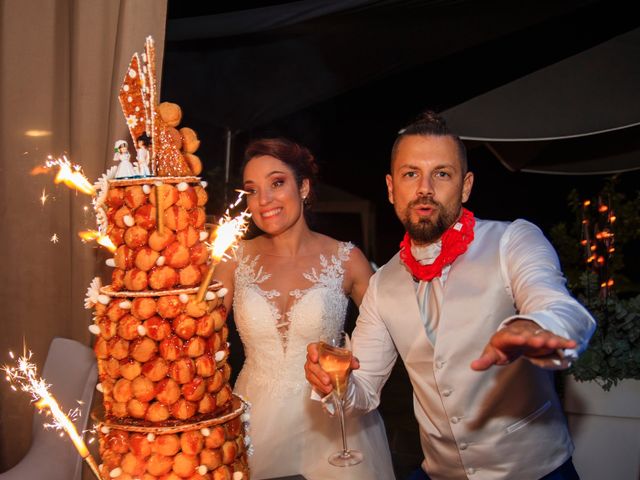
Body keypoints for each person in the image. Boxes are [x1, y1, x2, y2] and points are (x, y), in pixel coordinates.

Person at [305, 111, 596, 480]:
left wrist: (537, 325)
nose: (425, 188)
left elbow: (555, 304)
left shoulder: (513, 241)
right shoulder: (383, 283)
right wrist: (334, 384)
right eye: (411, 174)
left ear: (466, 185)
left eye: (442, 174)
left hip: (536, 471)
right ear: (392, 188)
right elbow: (363, 389)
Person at [215, 138, 395, 480]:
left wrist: (356, 371)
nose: (264, 200)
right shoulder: (232, 258)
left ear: (305, 187)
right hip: (255, 418)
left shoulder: (347, 259)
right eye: (252, 190)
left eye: (277, 183)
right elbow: (199, 333)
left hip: (332, 422)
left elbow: (387, 329)